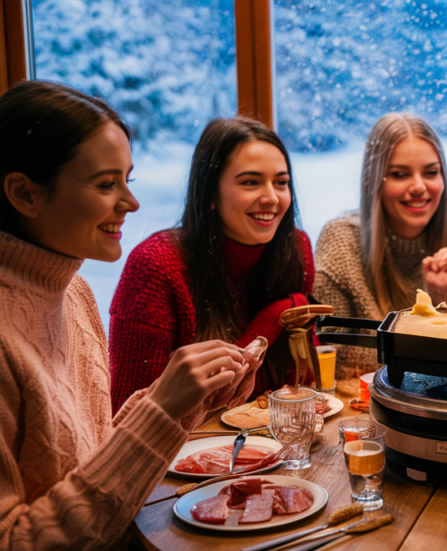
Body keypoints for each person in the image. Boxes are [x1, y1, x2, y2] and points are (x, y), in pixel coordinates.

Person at [0, 81, 259, 551]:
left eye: (128, 179)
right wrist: (159, 408)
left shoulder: (72, 290)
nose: (131, 202)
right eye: (107, 183)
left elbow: (88, 462)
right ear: (25, 193)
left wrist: (189, 400)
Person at [109, 117, 315, 413]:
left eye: (281, 183)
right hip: (179, 453)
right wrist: (275, 317)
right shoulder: (155, 266)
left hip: (276, 443)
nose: (271, 198)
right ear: (210, 194)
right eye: (251, 182)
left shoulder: (296, 248)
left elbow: (303, 383)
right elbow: (129, 414)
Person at [313, 113, 447, 376]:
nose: (418, 187)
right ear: (372, 181)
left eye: (431, 172)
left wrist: (446, 302)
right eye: (400, 174)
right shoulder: (341, 242)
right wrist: (430, 339)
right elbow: (332, 356)